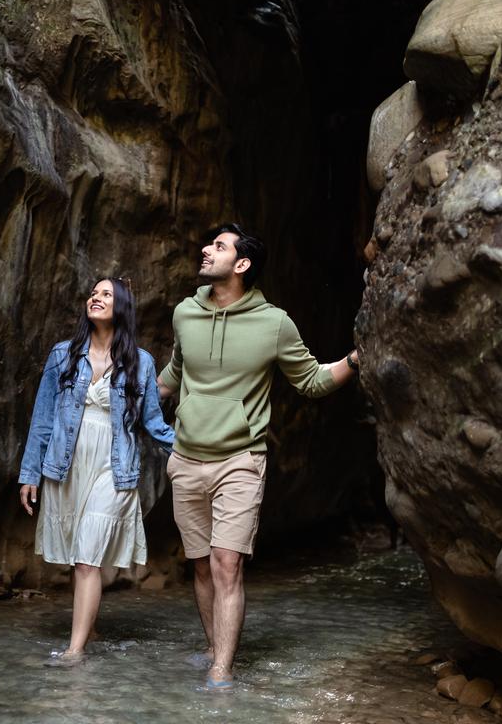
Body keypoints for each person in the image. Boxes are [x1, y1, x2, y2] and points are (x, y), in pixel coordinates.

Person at [157, 224, 360, 691]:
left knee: (228, 562)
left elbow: (310, 380)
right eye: (209, 245)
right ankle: (214, 649)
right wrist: (128, 395)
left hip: (241, 460)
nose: (206, 251)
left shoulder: (275, 323)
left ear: (242, 264)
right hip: (186, 458)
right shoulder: (185, 313)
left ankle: (220, 673)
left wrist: (355, 359)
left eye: (219, 247)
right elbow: (173, 374)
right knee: (203, 564)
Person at [18, 277, 174, 665]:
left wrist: (197, 449)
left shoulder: (140, 362)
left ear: (121, 306)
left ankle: (74, 651)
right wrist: (29, 473)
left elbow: (153, 424)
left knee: (88, 556)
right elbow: (43, 418)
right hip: (67, 464)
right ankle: (88, 626)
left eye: (106, 294)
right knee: (78, 554)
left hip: (113, 467)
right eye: (94, 292)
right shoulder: (62, 355)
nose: (96, 298)